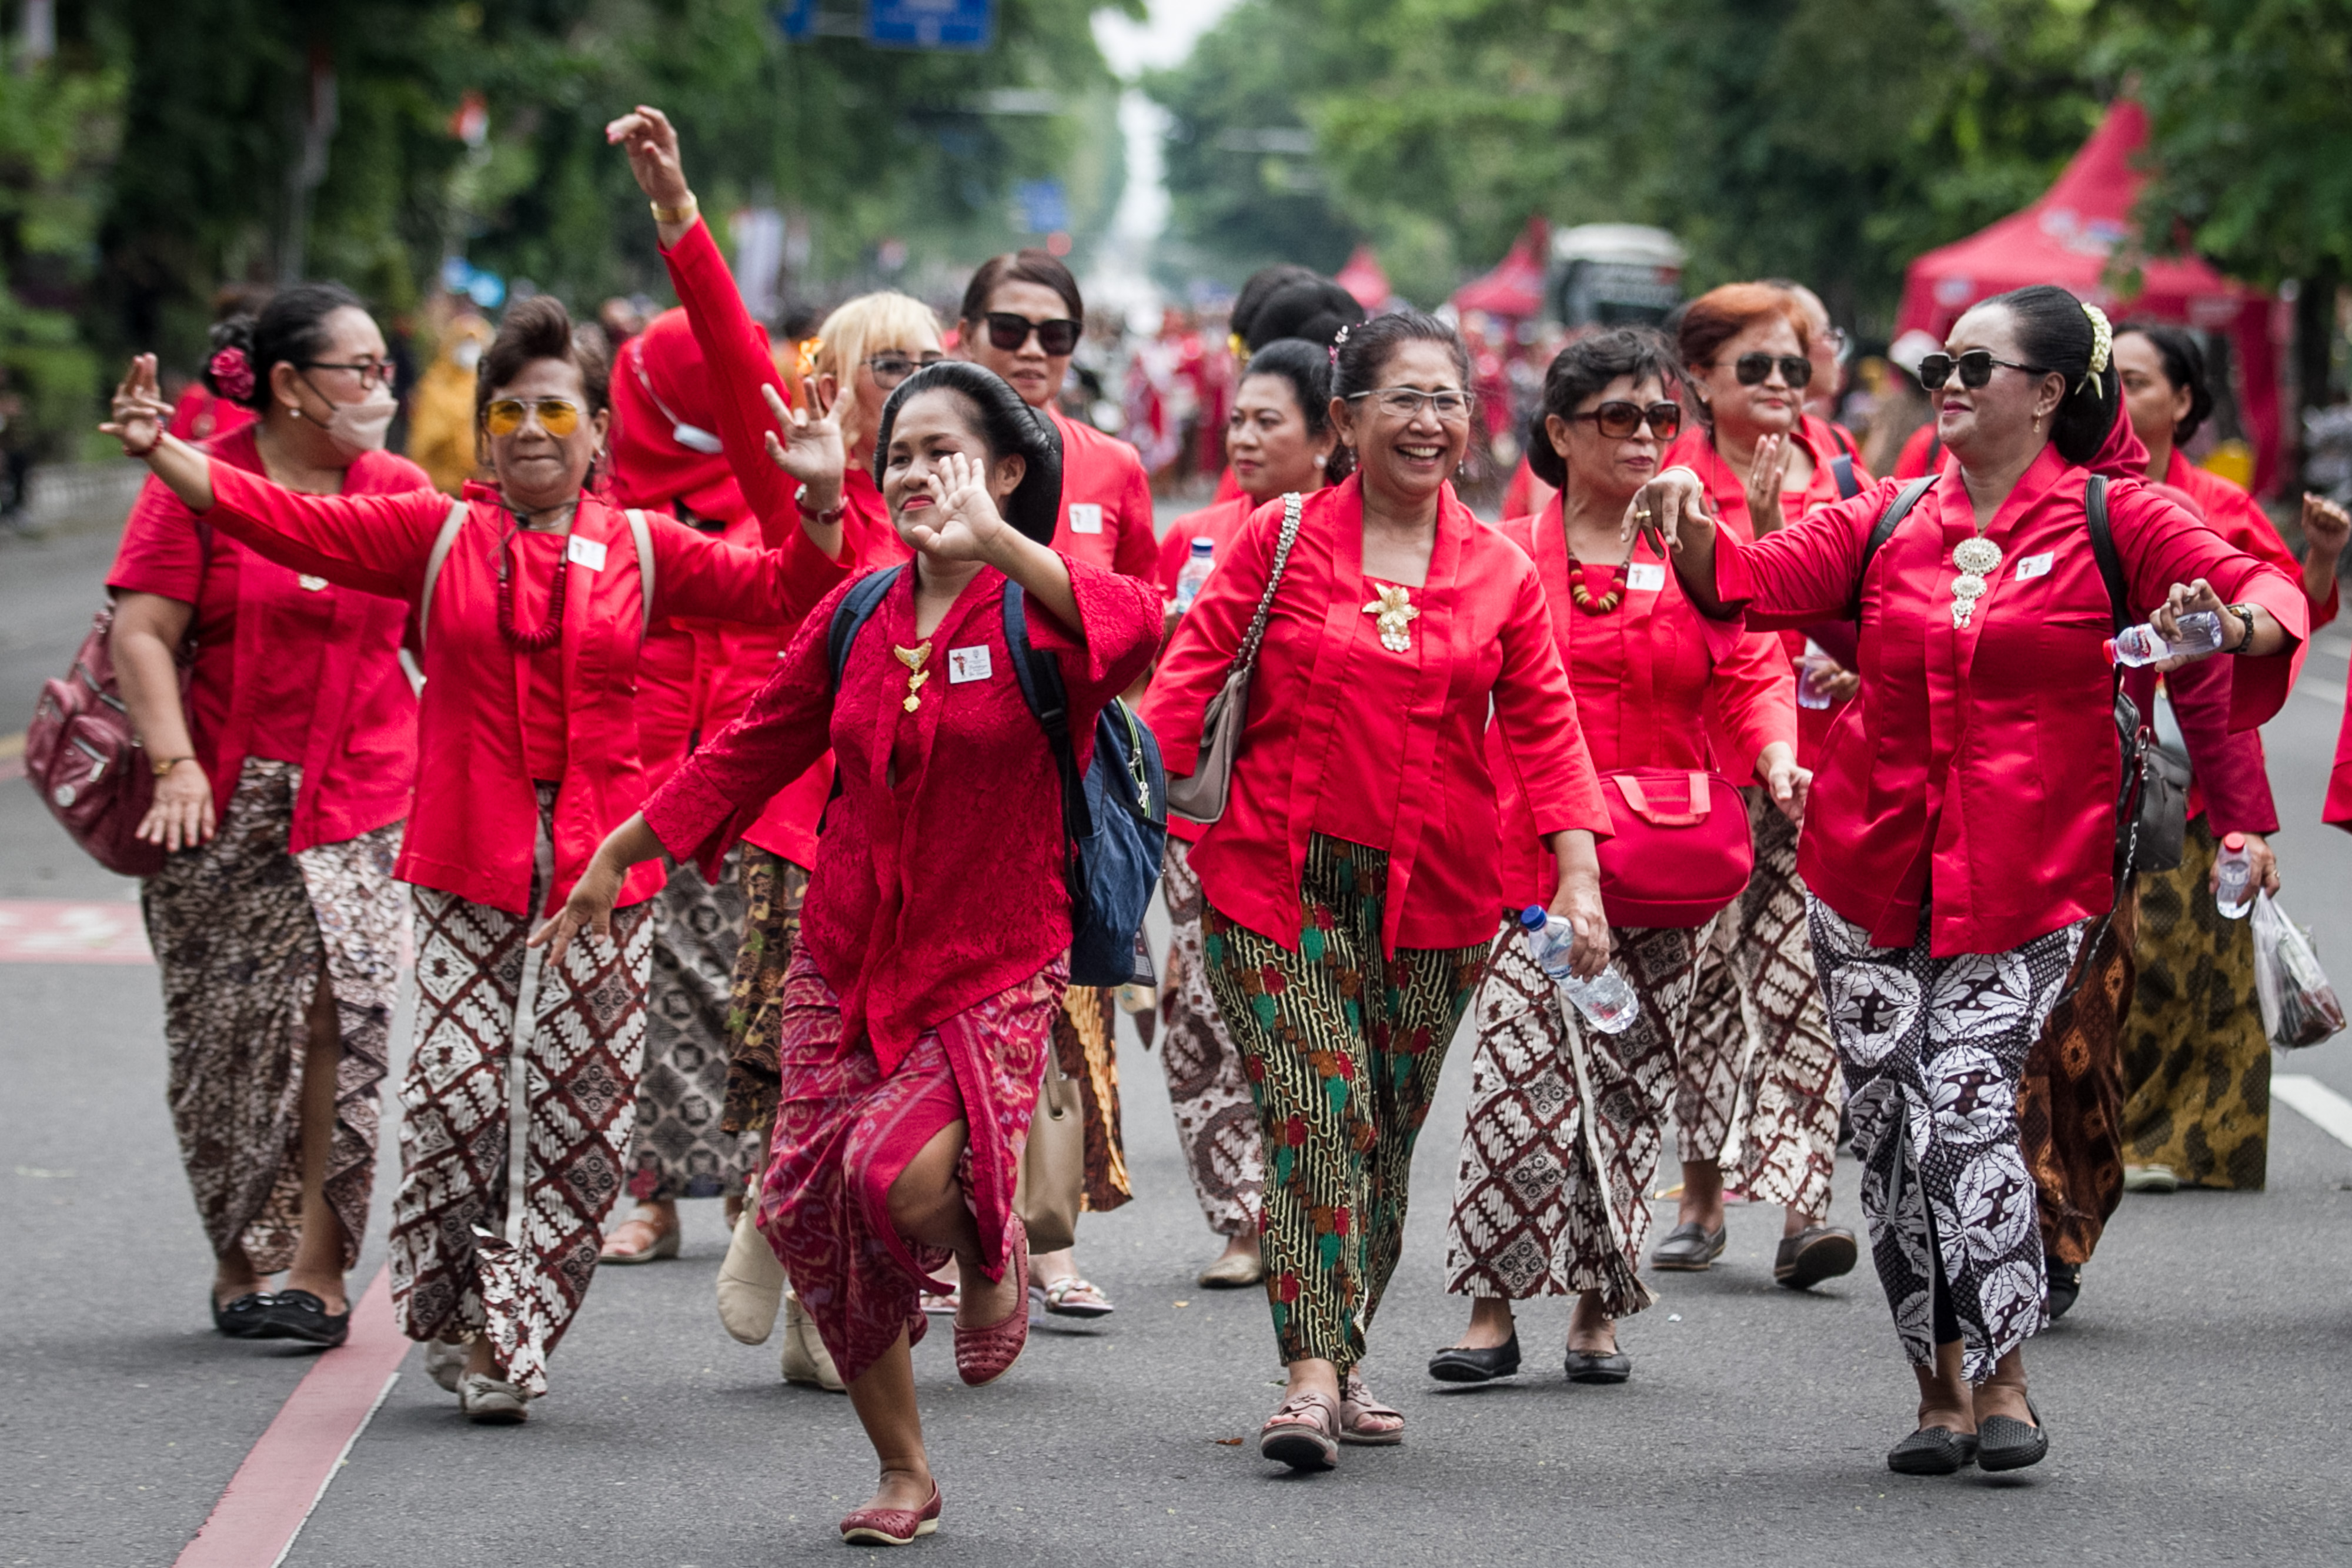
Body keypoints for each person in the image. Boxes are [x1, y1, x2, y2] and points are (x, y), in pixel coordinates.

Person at [102, 291, 841, 1424]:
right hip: (460, 875)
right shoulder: (432, 531)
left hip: (605, 886)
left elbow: (796, 593)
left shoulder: (646, 545)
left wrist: (823, 494)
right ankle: (448, 1311)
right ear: (486, 430)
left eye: (557, 409)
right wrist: (168, 456)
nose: (533, 430)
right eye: (510, 410)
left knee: (573, 1122)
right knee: (454, 1105)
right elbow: (274, 520)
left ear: (598, 431)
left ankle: (515, 1335)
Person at [1637, 285, 2305, 1474]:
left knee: (1958, 1095)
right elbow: (1740, 582)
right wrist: (1686, 518)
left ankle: (2003, 1374)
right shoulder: (1885, 516)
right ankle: (1935, 1388)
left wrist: (2233, 627)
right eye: (1938, 364)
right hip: (1863, 870)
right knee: (1890, 1124)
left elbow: (2265, 593)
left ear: (2048, 391)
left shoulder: (2120, 517)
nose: (1945, 382)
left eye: (1974, 366)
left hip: (2033, 876)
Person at [537, 360, 1159, 1546]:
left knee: (888, 1175)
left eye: (944, 451)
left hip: (989, 955)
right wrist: (625, 847)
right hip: (844, 956)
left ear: (1009, 470)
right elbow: (748, 745)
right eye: (901, 455)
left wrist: (1003, 542)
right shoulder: (861, 613)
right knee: (814, 1203)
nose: (915, 472)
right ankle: (903, 1466)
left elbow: (1137, 627)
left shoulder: (1041, 611)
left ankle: (991, 1236)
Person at [1143, 310, 1611, 1470]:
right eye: (1400, 398)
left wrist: (1579, 876)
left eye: (1445, 399)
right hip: (1271, 878)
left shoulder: (1499, 568)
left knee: (1386, 1131)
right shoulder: (1277, 536)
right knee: (1323, 1103)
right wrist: (1109, 831)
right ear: (1345, 420)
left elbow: (1547, 728)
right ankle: (1305, 1375)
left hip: (1437, 895)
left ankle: (1343, 1353)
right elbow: (1185, 678)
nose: (1427, 420)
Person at [606, 104, 923, 1382]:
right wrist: (681, 216)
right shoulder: (805, 487)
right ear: (834, 395)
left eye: (931, 364)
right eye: (887, 366)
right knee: (806, 1068)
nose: (915, 383)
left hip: (947, 852)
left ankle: (811, 1242)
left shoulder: (988, 504)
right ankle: (787, 1235)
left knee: (914, 1093)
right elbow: (735, 361)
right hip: (807, 840)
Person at [1429, 329, 1802, 1389]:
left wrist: (1775, 754)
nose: (1645, 438)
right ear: (1558, 432)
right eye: (1618, 418)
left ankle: (1598, 1311)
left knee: (1634, 1088)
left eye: (1661, 420)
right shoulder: (1499, 556)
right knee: (1518, 1082)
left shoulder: (1694, 546)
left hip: (1669, 864)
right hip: (1523, 865)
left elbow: (1750, 667)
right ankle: (1491, 1310)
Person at [109, 285, 423, 1349]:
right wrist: (175, 766)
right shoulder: (201, 478)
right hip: (217, 801)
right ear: (290, 384)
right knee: (225, 1041)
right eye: (361, 370)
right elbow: (144, 631)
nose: (383, 389)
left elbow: (457, 631)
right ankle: (240, 1254)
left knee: (352, 1020)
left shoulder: (397, 490)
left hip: (367, 795)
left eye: (387, 368)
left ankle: (319, 1269)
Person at [2109, 323, 2352, 1196]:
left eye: (2141, 381)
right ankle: (2114, 1137)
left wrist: (2320, 561)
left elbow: (2287, 626)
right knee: (2131, 963)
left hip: (2201, 771)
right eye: (2113, 379)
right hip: (2104, 767)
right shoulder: (2080, 498)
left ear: (2183, 401)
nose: (2124, 395)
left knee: (2201, 962)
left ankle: (2199, 1146)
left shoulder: (2220, 505)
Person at [958, 248, 1157, 1319]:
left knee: (1074, 1009)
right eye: (1010, 328)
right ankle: (961, 1240)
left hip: (1072, 782)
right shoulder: (933, 450)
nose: (1033, 352)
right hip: (951, 778)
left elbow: (1146, 615)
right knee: (956, 1012)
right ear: (967, 331)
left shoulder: (1113, 465)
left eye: (1056, 335)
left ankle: (1052, 1241)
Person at [1656, 284, 1860, 1286]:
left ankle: (1802, 1205)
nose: (1782, 385)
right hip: (1697, 776)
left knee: (1804, 982)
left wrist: (1856, 662)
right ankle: (1698, 1197)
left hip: (1820, 770)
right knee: (1703, 991)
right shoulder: (1663, 480)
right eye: (1755, 368)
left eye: (1795, 365)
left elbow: (1891, 605)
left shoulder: (1847, 470)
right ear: (1699, 378)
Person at [1152, 338, 1340, 1291]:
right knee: (1201, 1011)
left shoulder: (1354, 541)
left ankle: (1305, 1209)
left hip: (1311, 821)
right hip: (1203, 815)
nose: (1246, 436)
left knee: (1297, 1018)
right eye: (1238, 419)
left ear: (1325, 437)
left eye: (1271, 420)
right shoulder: (1196, 531)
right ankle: (1241, 1219)